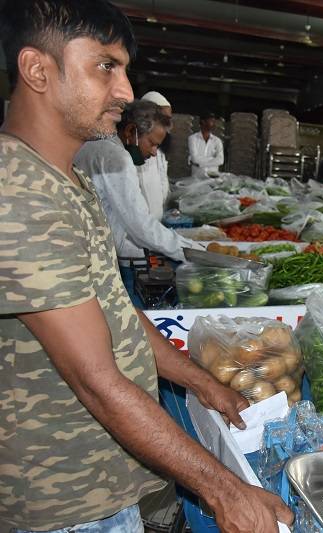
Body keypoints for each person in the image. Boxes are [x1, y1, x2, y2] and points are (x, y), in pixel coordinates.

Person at [0, 3, 292, 533]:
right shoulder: (19, 190)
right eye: (105, 66)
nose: (126, 92)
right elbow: (96, 380)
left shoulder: (66, 181)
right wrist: (223, 489)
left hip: (102, 482)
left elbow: (116, 312)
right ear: (37, 69)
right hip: (64, 501)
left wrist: (200, 381)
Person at [75, 99, 201, 306]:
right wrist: (191, 252)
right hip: (100, 259)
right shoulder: (116, 156)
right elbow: (140, 226)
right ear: (131, 130)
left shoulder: (94, 145)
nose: (153, 152)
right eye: (152, 143)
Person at [138, 90, 172, 219]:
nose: (168, 126)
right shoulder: (135, 154)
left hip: (156, 223)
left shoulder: (159, 149)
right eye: (165, 120)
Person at [188, 111, 224, 178]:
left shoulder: (217, 141)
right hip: (196, 178)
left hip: (213, 179)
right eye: (211, 121)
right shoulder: (192, 139)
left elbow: (220, 160)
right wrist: (213, 159)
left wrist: (200, 164)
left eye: (214, 121)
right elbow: (194, 159)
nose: (214, 124)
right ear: (203, 122)